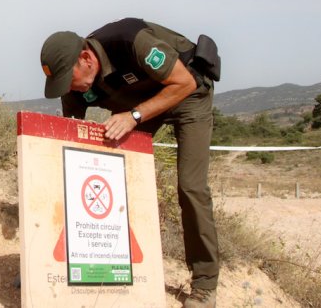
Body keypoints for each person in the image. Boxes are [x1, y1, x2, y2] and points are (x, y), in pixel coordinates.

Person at [40, 18, 220, 308]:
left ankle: (205, 284)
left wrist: (133, 116)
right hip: (142, 103)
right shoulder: (72, 85)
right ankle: (110, 262)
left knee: (191, 186)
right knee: (113, 178)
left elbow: (184, 82)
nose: (67, 87)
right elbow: (70, 140)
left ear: (86, 58)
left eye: (67, 78)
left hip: (187, 94)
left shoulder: (130, 42)